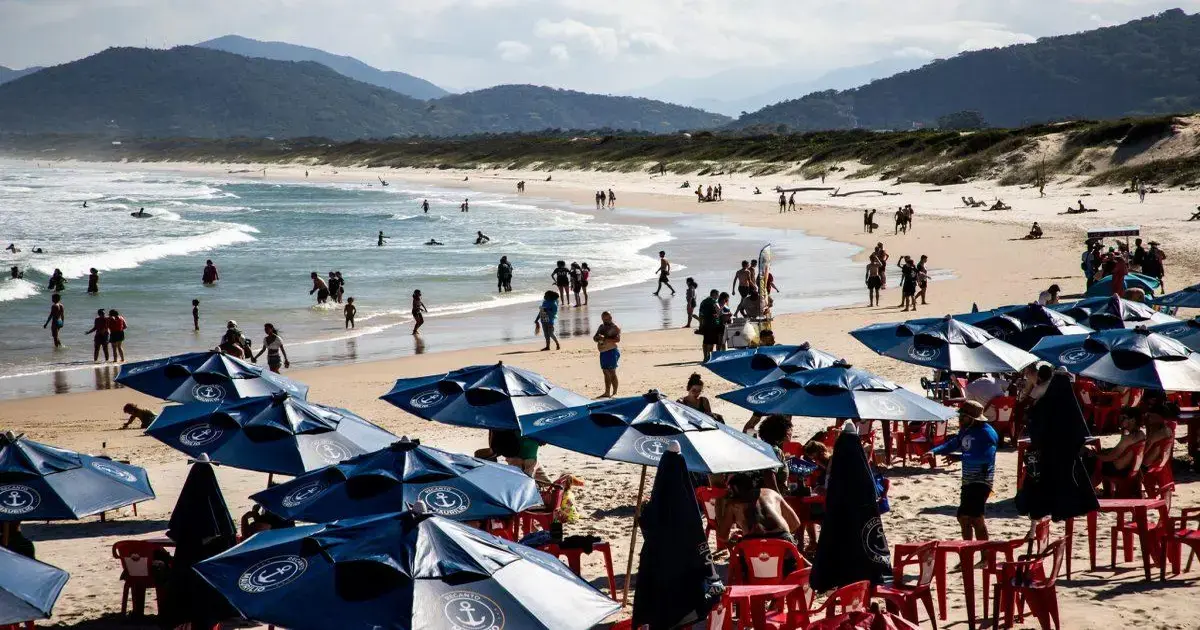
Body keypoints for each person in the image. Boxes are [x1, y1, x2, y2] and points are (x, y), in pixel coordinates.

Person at [925, 400, 998, 541]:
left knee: (976, 519)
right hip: (968, 481)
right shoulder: (966, 430)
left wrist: (960, 458)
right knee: (963, 518)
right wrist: (934, 451)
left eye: (962, 417)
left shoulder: (988, 434)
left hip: (982, 481)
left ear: (972, 419)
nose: (959, 420)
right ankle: (967, 553)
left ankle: (984, 556)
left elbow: (984, 457)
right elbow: (954, 443)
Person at [717, 473, 803, 554]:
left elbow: (722, 536)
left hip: (753, 545)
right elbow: (795, 523)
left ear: (734, 490)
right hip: (783, 542)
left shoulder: (734, 504)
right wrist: (773, 535)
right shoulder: (772, 493)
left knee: (744, 563)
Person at [593, 311, 621, 398]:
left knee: (612, 372)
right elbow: (594, 337)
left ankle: (615, 392)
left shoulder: (615, 327)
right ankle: (607, 392)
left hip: (611, 351)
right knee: (605, 372)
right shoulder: (601, 327)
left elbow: (617, 339)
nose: (606, 320)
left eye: (608, 318)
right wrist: (598, 338)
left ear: (611, 317)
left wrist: (605, 339)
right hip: (603, 352)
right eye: (604, 318)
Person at [698, 289, 721, 361]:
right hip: (713, 323)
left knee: (705, 341)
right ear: (714, 294)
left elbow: (700, 314)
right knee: (712, 342)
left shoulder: (703, 302)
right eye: (717, 295)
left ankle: (705, 357)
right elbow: (719, 311)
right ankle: (709, 357)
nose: (718, 296)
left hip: (705, 323)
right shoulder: (713, 301)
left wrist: (701, 324)